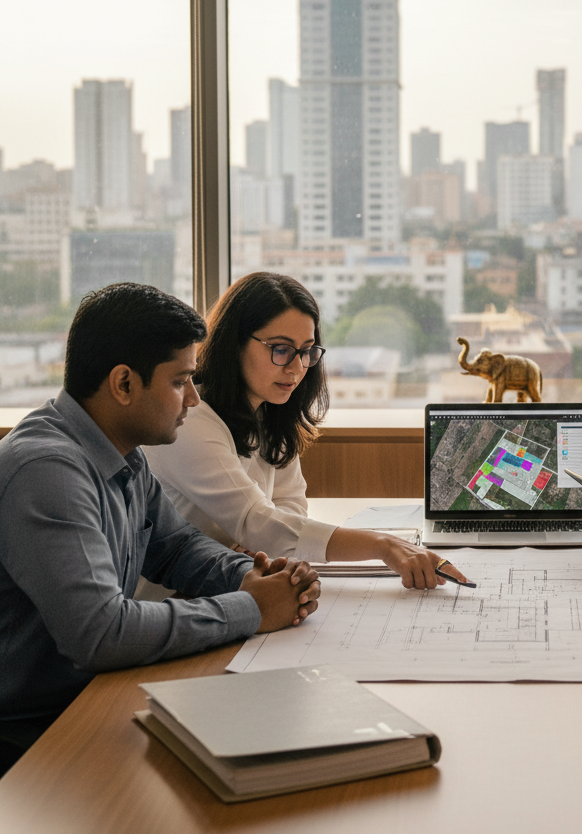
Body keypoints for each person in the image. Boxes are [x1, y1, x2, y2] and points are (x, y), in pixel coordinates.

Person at [0, 283, 321, 776]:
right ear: (124, 384)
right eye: (181, 382)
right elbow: (102, 633)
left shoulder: (123, 451)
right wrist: (252, 607)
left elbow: (176, 549)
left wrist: (250, 575)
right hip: (33, 736)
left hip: (94, 701)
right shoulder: (49, 470)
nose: (194, 399)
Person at [144, 271, 465, 590]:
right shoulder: (189, 417)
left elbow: (290, 502)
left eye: (306, 350)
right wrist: (384, 545)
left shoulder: (270, 411)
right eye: (281, 349)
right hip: (172, 605)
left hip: (231, 583)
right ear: (234, 344)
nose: (297, 367)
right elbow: (255, 520)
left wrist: (263, 547)